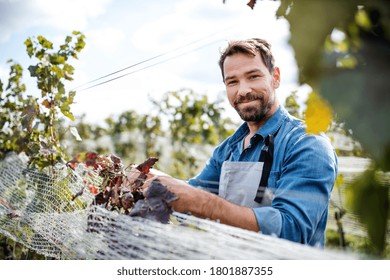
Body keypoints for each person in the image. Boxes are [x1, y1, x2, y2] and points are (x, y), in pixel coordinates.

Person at [144, 38, 338, 247]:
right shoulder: (228, 149)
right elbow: (191, 193)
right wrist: (146, 177)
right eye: (232, 82)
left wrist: (205, 205)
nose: (243, 90)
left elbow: (293, 231)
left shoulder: (306, 144)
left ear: (275, 78)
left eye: (253, 76)